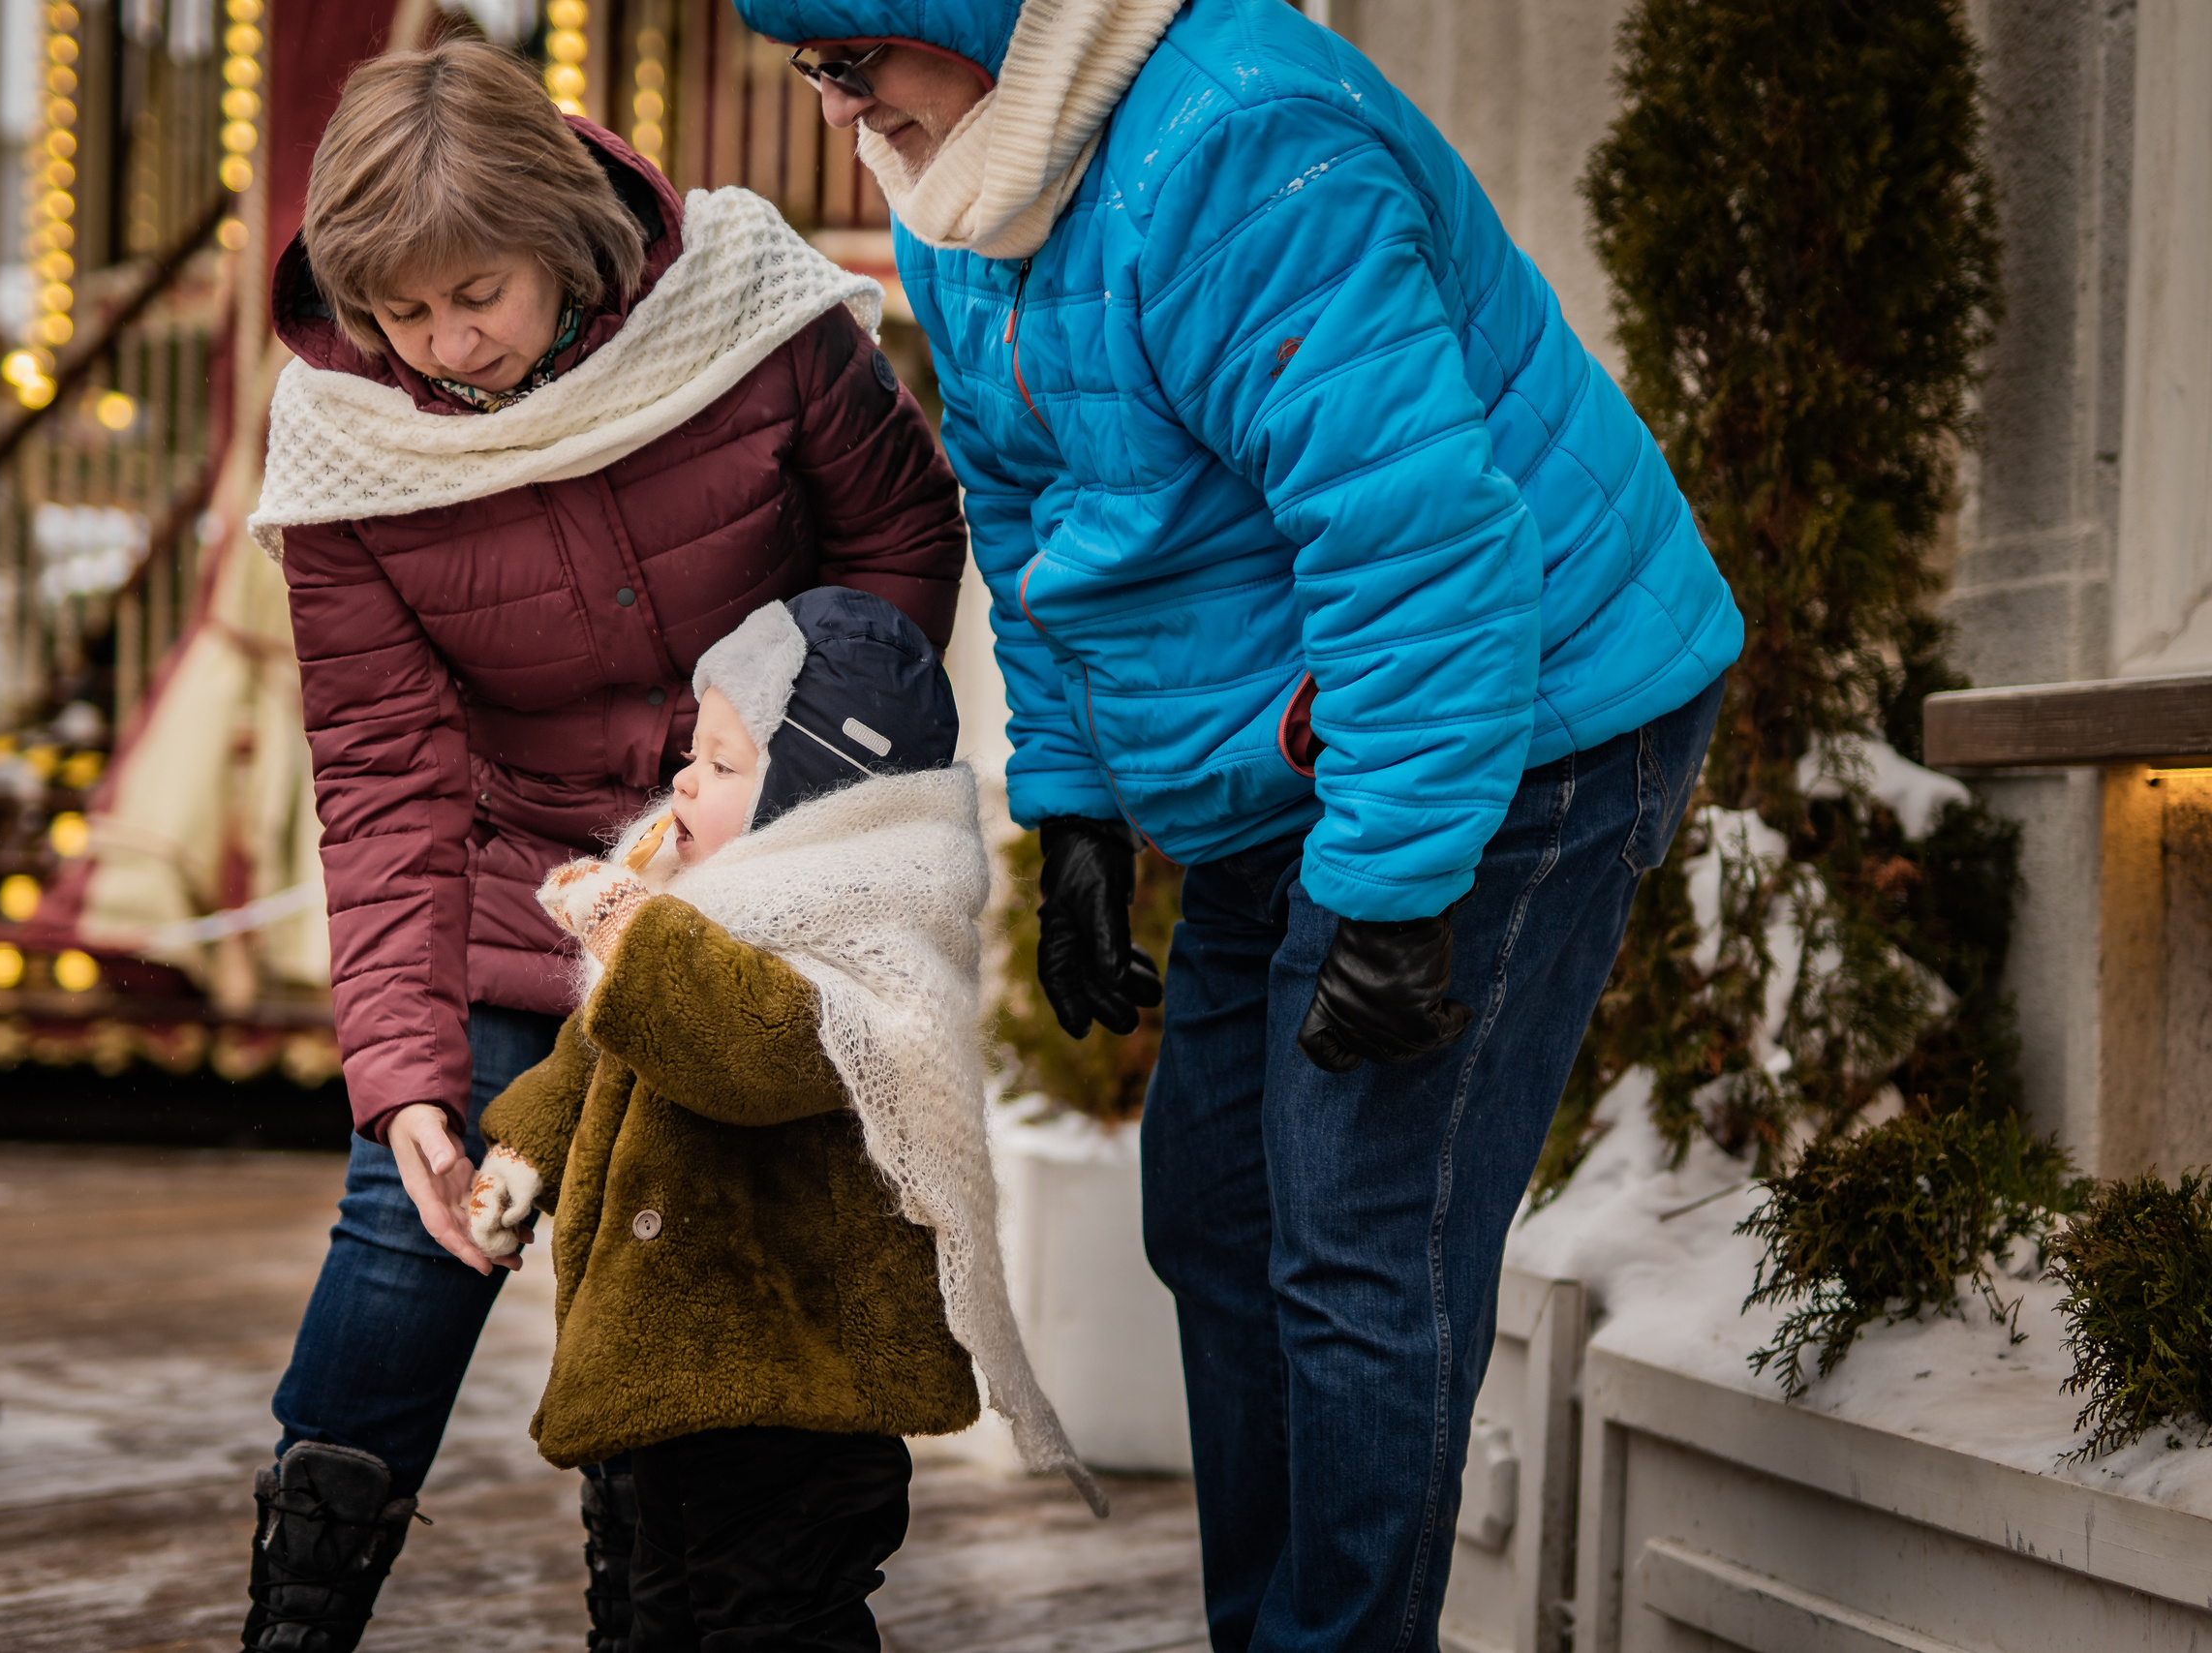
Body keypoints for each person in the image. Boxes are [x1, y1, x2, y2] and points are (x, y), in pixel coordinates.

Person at [739, 3, 1744, 1648]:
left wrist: (1401, 891)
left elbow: (1413, 543)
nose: (830, 89)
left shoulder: (1241, 150)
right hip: (1304, 722)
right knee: (1214, 1208)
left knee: (1354, 1240)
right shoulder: (967, 189)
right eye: (807, 53)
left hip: (1515, 712)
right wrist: (1070, 809)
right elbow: (1029, 500)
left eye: (855, 44)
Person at [240, 40, 967, 1653]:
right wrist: (408, 1075)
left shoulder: (746, 311)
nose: (446, 346)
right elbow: (382, 770)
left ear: (563, 241)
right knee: (403, 1237)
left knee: (708, 1267)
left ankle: (661, 1604)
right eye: (401, 313)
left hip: (758, 897)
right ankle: (295, 1618)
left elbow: (901, 534)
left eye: (474, 293)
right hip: (523, 895)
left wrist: (789, 801)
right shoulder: (352, 442)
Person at [467, 586, 1101, 1653]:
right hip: (675, 1371)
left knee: (774, 1618)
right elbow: (601, 1045)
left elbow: (750, 1048)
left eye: (723, 764)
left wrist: (631, 930)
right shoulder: (705, 903)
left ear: (817, 792)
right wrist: (527, 1145)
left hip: (798, 1388)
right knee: (651, 1610)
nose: (683, 780)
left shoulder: (869, 934)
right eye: (693, 752)